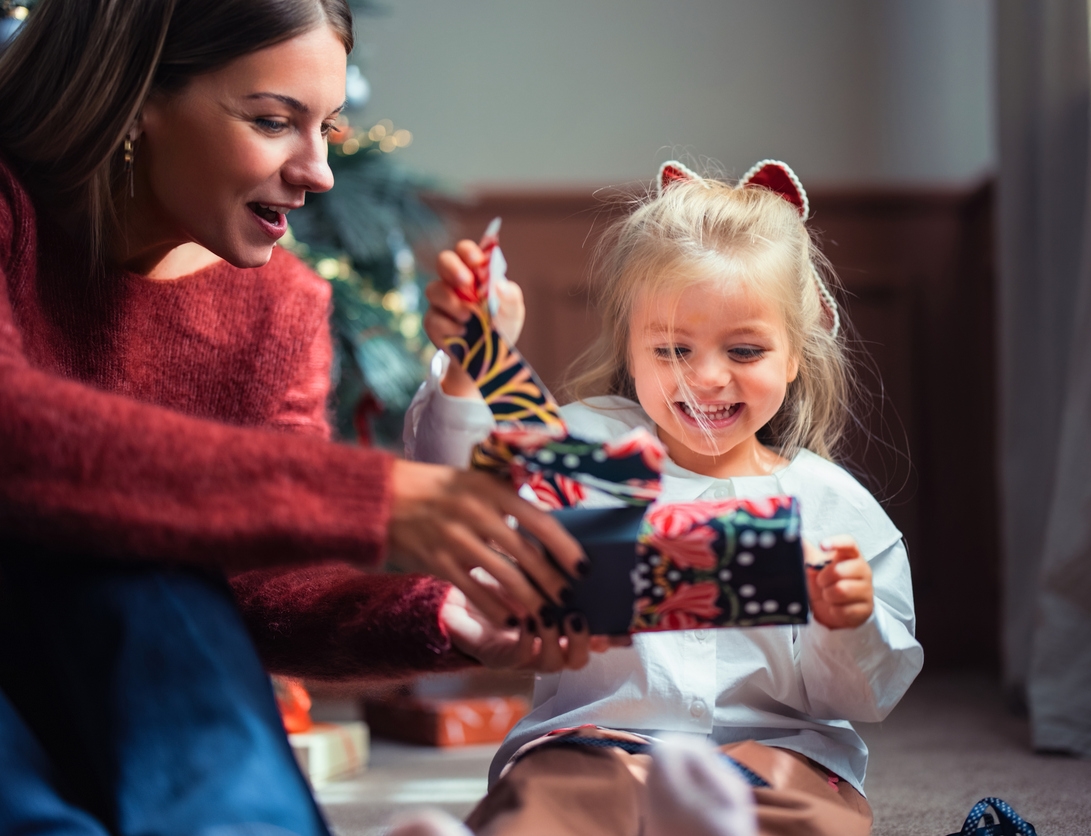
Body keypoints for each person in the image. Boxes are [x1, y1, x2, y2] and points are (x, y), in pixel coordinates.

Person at [0, 2, 600, 834]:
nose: (318, 172)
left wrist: (440, 614)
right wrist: (373, 498)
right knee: (120, 535)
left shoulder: (281, 306)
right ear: (136, 96)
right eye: (274, 121)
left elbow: (268, 585)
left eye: (327, 128)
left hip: (118, 698)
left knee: (149, 555)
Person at [407, 160, 925, 835]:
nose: (706, 378)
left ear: (796, 353)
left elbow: (867, 697)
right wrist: (471, 361)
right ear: (631, 345)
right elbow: (460, 494)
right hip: (597, 740)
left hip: (774, 750)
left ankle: (699, 817)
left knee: (816, 814)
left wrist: (848, 618)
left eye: (744, 351)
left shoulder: (831, 505)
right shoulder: (588, 445)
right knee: (549, 796)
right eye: (673, 350)